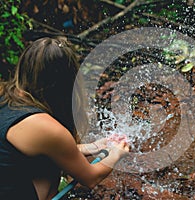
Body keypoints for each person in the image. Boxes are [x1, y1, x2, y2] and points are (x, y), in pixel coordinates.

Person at [0, 37, 130, 200]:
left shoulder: (6, 95)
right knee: (50, 169)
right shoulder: (47, 128)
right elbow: (90, 178)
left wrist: (92, 147)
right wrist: (116, 154)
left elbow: (35, 146)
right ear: (66, 82)